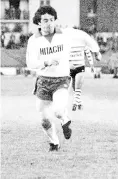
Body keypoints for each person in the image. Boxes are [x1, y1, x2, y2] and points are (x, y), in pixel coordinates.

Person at [26, 6, 72, 151]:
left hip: (61, 79)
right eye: (45, 20)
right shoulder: (33, 41)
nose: (49, 23)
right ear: (38, 23)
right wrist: (45, 62)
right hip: (43, 81)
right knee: (44, 120)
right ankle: (54, 142)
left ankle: (65, 120)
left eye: (52, 20)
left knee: (58, 110)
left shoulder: (64, 35)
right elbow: (31, 64)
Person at [65, 27, 102, 111]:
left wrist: (91, 65)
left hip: (79, 66)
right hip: (70, 67)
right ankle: (79, 102)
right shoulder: (66, 44)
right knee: (73, 87)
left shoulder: (82, 43)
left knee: (77, 87)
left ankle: (75, 103)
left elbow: (88, 53)